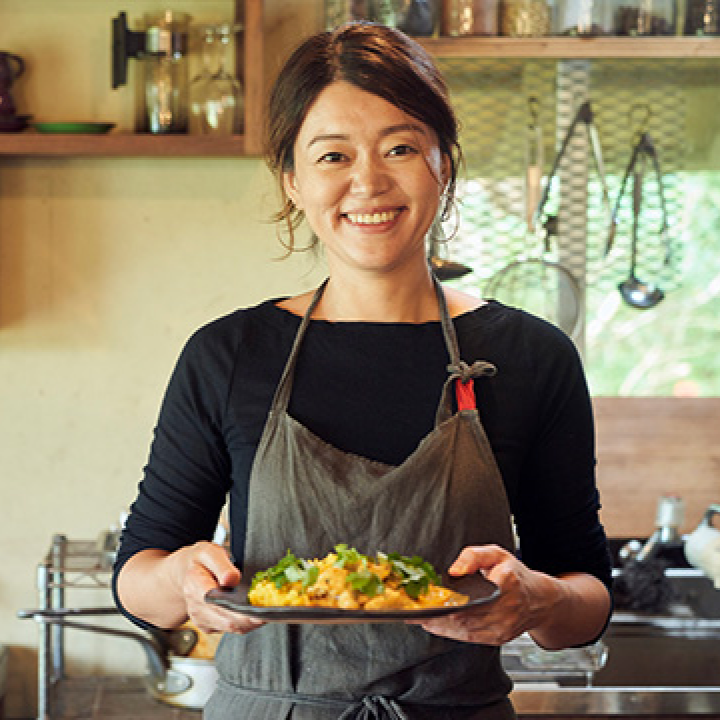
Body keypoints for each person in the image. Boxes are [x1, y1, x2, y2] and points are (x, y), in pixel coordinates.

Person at [113, 22, 613, 720]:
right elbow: (138, 576)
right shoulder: (229, 354)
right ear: (292, 179)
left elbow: (585, 598)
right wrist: (180, 581)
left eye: (401, 148)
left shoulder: (531, 355)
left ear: (445, 162)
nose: (368, 183)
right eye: (332, 156)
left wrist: (542, 598)